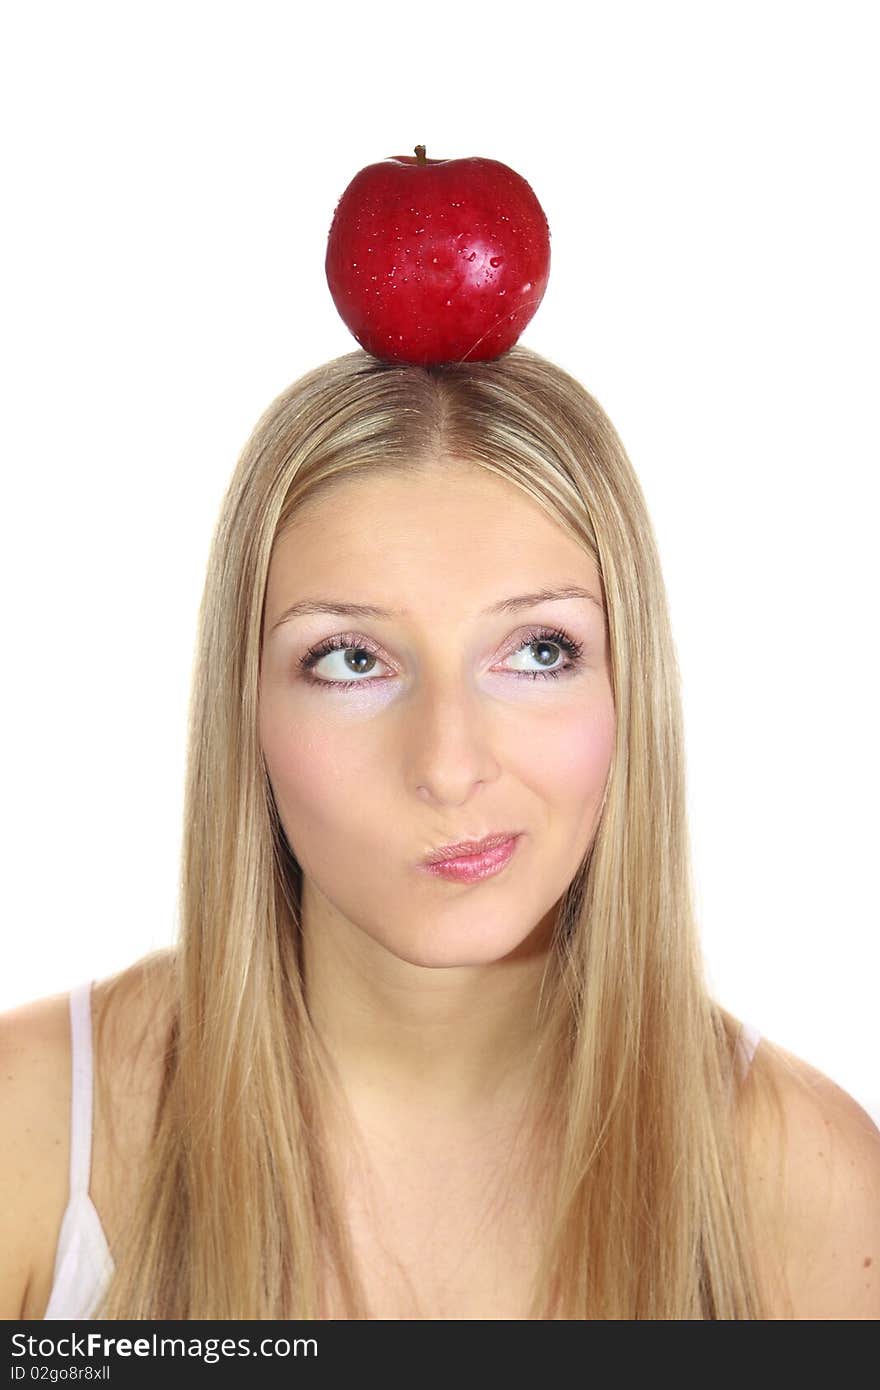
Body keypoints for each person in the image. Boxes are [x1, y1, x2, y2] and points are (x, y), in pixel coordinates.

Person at [2, 346, 878, 1320]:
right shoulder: (29, 1133)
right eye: (349, 658)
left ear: (631, 685)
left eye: (539, 650)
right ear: (243, 704)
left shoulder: (809, 1182)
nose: (450, 763)